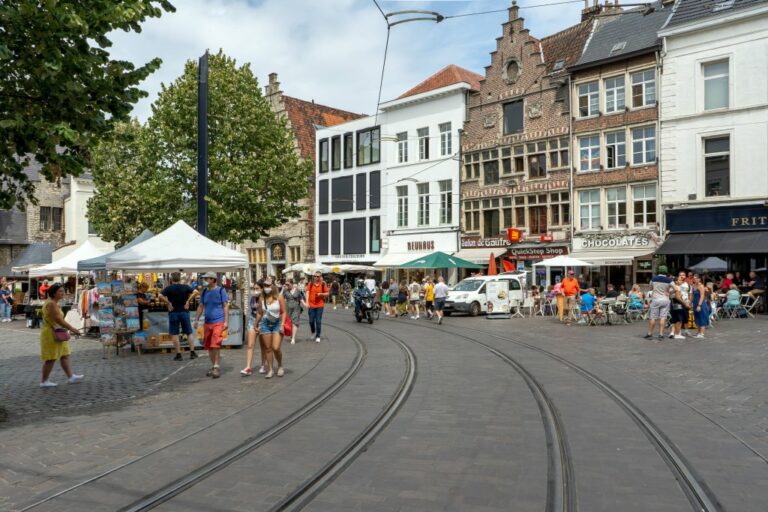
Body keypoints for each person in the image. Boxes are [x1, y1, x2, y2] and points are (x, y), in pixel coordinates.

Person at [39, 284, 83, 388]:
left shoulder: (53, 303)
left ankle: (71, 376)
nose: (63, 293)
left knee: (64, 355)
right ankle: (44, 381)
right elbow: (58, 320)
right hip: (51, 334)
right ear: (54, 293)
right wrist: (72, 328)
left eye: (63, 291)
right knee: (51, 358)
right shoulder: (51, 304)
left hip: (57, 331)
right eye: (60, 291)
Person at [193, 272, 229, 379]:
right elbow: (201, 306)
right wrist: (196, 319)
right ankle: (214, 366)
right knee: (209, 345)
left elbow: (225, 306)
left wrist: (226, 321)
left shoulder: (221, 291)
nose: (205, 280)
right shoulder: (204, 292)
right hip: (207, 322)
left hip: (219, 321)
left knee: (215, 344)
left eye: (207, 278)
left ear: (213, 279)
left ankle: (217, 366)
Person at [160, 273, 198, 361]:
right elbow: (196, 292)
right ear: (180, 279)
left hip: (173, 312)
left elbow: (160, 295)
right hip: (184, 312)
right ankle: (192, 352)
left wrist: (168, 302)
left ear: (171, 279)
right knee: (189, 332)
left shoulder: (169, 288)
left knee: (175, 334)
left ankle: (178, 354)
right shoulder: (185, 287)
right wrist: (188, 301)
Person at [260, 278, 287, 378]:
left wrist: (283, 324)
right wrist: (256, 324)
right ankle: (270, 369)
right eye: (265, 286)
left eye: (268, 285)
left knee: (276, 347)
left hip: (277, 323)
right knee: (268, 348)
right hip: (265, 324)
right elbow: (259, 312)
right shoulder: (262, 298)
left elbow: (284, 312)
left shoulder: (279, 297)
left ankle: (280, 366)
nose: (266, 288)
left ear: (273, 286)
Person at [241, 281, 264, 376]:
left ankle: (263, 365)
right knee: (250, 345)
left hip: (263, 321)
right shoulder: (253, 298)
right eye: (254, 288)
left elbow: (262, 313)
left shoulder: (265, 299)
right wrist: (255, 324)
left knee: (264, 346)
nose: (255, 290)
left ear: (262, 289)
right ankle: (248, 367)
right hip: (252, 320)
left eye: (257, 288)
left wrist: (257, 324)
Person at [645, 265, 674, 340]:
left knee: (653, 317)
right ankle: (661, 334)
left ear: (659, 271)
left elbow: (650, 288)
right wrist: (669, 292)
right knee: (663, 317)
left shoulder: (654, 278)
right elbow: (677, 289)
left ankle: (650, 333)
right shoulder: (669, 280)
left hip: (656, 299)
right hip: (665, 300)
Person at [307, 271, 329, 343]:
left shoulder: (323, 284)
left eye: (318, 276)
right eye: (315, 276)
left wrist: (321, 294)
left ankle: (318, 336)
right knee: (311, 321)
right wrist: (307, 302)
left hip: (320, 305)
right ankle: (313, 332)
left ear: (320, 277)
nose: (316, 277)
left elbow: (327, 293)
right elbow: (307, 293)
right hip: (311, 305)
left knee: (318, 321)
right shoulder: (310, 284)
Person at [282, 278, 305, 344]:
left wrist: (305, 304)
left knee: (295, 322)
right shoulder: (285, 291)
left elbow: (300, 298)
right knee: (289, 322)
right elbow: (281, 298)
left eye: (288, 284)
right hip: (288, 308)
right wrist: (283, 289)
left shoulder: (297, 290)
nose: (287, 285)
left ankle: (293, 338)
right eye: (286, 284)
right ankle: (291, 335)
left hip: (296, 308)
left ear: (291, 284)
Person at [668, 274, 689, 340]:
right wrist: (685, 304)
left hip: (672, 303)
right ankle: (677, 334)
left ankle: (675, 333)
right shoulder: (677, 287)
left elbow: (669, 295)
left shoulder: (672, 288)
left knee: (675, 319)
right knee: (679, 319)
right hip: (678, 303)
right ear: (676, 281)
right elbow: (678, 297)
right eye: (680, 280)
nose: (681, 281)